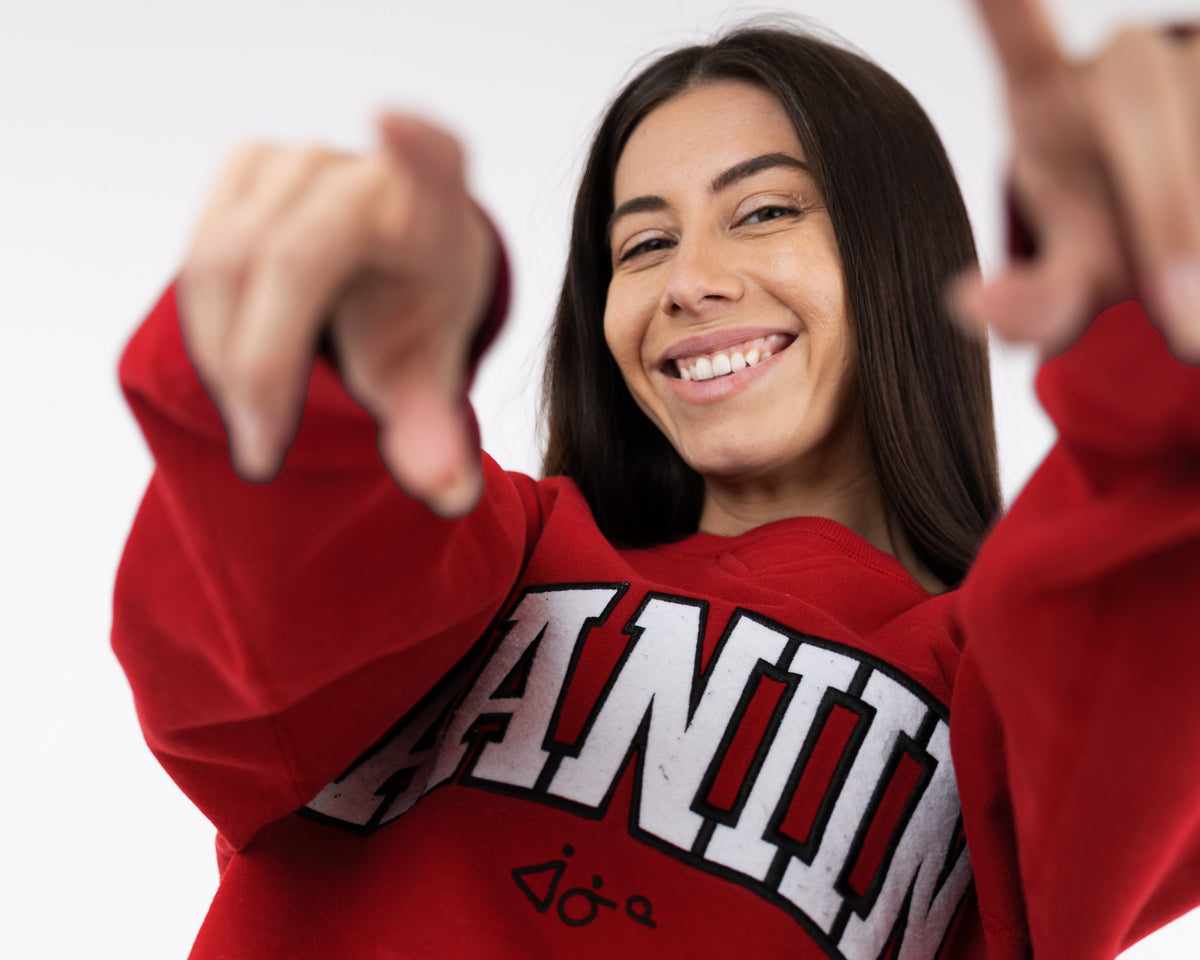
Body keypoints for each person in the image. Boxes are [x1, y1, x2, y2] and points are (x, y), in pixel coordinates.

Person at [113, 0, 1200, 957]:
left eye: (765, 211)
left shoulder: (1002, 699)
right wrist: (335, 344)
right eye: (640, 247)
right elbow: (256, 610)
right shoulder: (490, 567)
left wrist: (1159, 313)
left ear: (899, 254)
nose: (689, 282)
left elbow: (1148, 624)